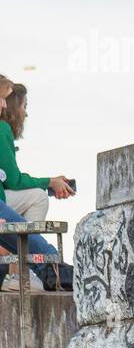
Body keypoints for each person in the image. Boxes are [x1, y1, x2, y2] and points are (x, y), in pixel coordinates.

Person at [0, 79, 75, 292]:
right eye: (2, 99)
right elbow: (13, 180)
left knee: (33, 199)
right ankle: (39, 270)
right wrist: (49, 182)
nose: (5, 106)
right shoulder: (1, 128)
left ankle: (46, 269)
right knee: (37, 197)